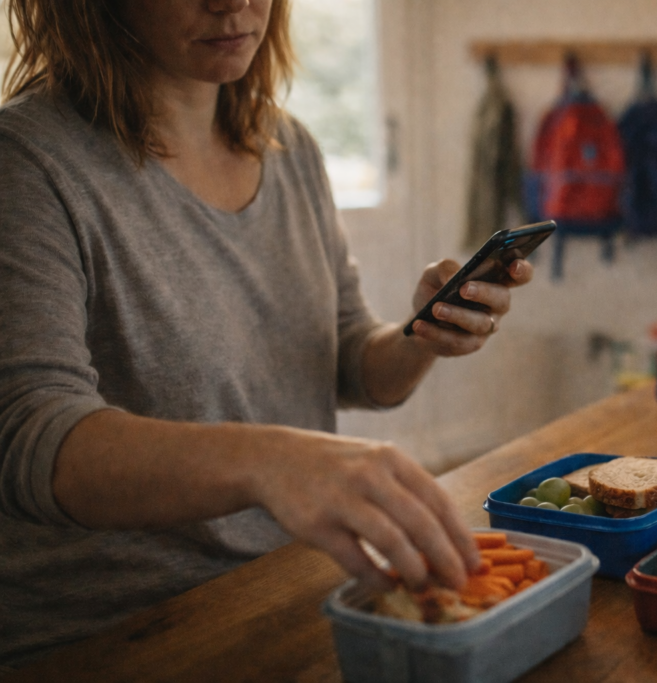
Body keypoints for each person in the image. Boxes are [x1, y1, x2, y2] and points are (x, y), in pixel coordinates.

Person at [0, 0, 533, 666]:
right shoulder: (28, 160)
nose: (235, 4)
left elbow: (348, 360)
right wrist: (271, 461)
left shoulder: (289, 147)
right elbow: (29, 436)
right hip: (110, 635)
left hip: (286, 592)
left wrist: (422, 335)